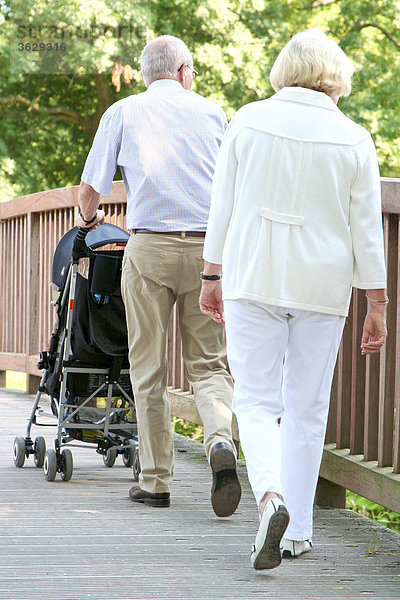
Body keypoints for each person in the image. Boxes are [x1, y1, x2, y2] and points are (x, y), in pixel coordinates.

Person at [200, 29, 387, 569]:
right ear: (336, 77)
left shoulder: (247, 120)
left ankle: (270, 499)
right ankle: (298, 530)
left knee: (256, 400)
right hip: (322, 288)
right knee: (307, 407)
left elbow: (222, 207)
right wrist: (377, 304)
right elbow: (367, 232)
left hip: (252, 277)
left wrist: (211, 276)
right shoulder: (354, 138)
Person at [77, 35, 241, 517]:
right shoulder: (213, 113)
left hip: (148, 247)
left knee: (147, 369)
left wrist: (88, 225)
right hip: (209, 254)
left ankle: (155, 482)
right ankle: (220, 442)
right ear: (184, 70)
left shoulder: (124, 112)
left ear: (147, 74)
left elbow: (92, 187)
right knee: (210, 366)